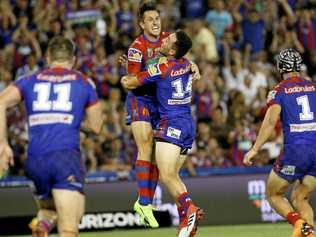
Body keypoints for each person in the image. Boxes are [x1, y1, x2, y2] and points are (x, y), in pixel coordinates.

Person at [0, 36, 104, 237]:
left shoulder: (29, 79)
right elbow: (96, 127)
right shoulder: (83, 81)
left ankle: (44, 225)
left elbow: (1, 102)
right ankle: (48, 224)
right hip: (65, 157)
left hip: (35, 160)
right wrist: (74, 121)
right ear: (72, 59)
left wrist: (3, 144)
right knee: (70, 225)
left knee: (51, 210)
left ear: (47, 57)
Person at [121, 30, 204, 237]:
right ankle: (186, 226)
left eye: (168, 40)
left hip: (171, 125)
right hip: (188, 125)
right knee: (174, 177)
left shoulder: (162, 68)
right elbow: (185, 63)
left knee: (166, 175)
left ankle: (190, 209)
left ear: (173, 49)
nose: (164, 39)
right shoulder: (185, 64)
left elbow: (130, 83)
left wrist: (127, 76)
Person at [243, 48, 315, 237]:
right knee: (301, 198)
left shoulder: (279, 91)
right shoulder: (313, 87)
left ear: (280, 67)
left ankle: (298, 222)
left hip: (297, 150)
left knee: (274, 194)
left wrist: (254, 149)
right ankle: (309, 233)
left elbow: (269, 123)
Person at [121, 1, 170, 228]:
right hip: (140, 99)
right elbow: (131, 82)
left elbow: (182, 56)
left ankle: (146, 202)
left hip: (160, 102)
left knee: (159, 153)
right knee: (146, 145)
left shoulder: (169, 39)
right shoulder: (136, 47)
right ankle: (144, 201)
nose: (155, 23)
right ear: (141, 24)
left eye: (157, 19)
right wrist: (150, 68)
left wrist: (193, 66)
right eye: (150, 20)